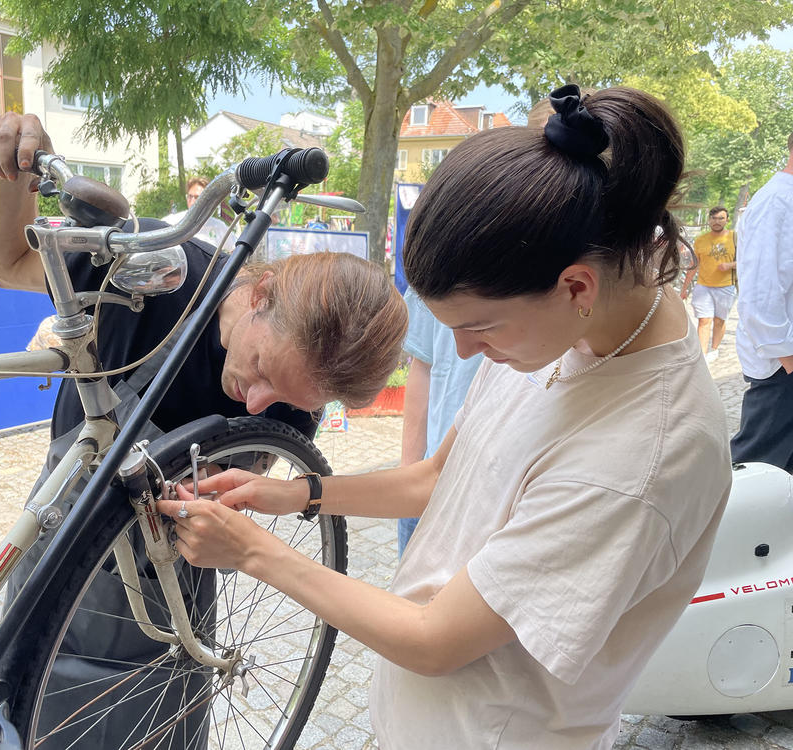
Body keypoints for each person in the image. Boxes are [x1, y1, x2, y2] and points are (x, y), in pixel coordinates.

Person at [162, 85, 732, 749]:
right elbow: (440, 476)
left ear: (577, 286)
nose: (464, 351)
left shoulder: (642, 456)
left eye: (480, 327)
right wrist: (296, 493)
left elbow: (436, 641)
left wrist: (253, 551)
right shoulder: (568, 326)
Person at [0, 111, 408, 745]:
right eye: (261, 369)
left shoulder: (293, 396)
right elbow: (7, 259)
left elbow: (249, 468)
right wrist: (12, 167)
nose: (259, 405)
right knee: (28, 715)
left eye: (288, 399)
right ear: (258, 295)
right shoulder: (151, 270)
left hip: (176, 589)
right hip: (61, 547)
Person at [398, 287, 482, 555]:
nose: (464, 347)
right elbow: (423, 364)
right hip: (433, 473)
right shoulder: (432, 264)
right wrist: (409, 471)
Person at [730, 133, 793, 473]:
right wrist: (787, 358)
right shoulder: (776, 202)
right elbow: (760, 293)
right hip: (781, 366)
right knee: (758, 469)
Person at [679, 206, 737, 361]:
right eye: (714, 218)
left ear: (727, 220)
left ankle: (714, 349)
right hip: (703, 286)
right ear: (709, 220)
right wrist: (684, 289)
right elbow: (694, 265)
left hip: (726, 286)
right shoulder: (701, 240)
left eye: (721, 218)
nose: (717, 222)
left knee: (719, 321)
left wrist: (729, 265)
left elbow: (747, 260)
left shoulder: (735, 238)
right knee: (704, 320)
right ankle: (702, 355)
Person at [162, 175, 236, 251]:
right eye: (190, 196)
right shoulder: (172, 222)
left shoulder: (218, 227)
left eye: (198, 197)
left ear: (209, 200)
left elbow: (236, 247)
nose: (193, 201)